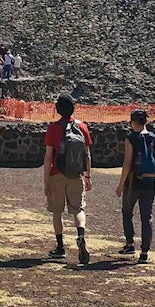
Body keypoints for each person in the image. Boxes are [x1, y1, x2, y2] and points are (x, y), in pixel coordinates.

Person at [43, 94, 93, 264]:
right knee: (78, 209)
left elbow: (49, 157)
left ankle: (60, 247)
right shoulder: (82, 127)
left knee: (57, 212)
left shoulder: (53, 128)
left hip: (57, 174)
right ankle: (80, 235)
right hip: (76, 174)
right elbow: (87, 154)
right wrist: (87, 176)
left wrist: (46, 181)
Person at [115, 109, 155, 263]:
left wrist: (121, 184)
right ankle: (145, 252)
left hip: (133, 183)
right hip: (150, 184)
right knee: (147, 216)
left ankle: (130, 244)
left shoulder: (131, 139)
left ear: (132, 122)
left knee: (127, 212)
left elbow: (127, 163)